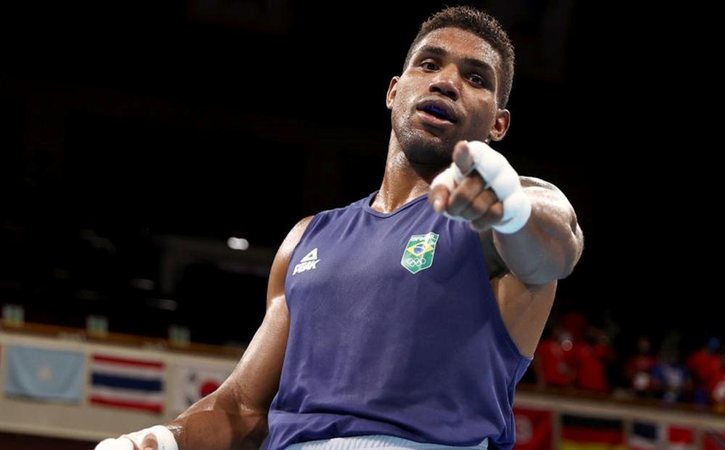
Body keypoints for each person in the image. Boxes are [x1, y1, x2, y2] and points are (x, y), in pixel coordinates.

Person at [96, 5, 583, 450]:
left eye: (475, 77)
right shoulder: (309, 237)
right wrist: (161, 440)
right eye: (429, 64)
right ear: (395, 90)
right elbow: (241, 407)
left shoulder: (500, 223)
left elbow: (558, 245)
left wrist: (510, 206)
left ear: (498, 125)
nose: (446, 82)